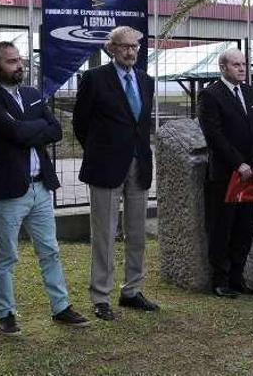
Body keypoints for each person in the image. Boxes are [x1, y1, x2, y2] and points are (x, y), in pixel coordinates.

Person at [0, 42, 89, 335]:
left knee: (50, 250)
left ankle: (61, 307)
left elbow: (57, 131)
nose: (19, 65)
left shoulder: (32, 94)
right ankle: (5, 312)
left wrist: (26, 129)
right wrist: (32, 128)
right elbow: (13, 132)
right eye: (11, 62)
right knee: (6, 255)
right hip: (9, 189)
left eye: (19, 60)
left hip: (41, 188)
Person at [72, 26, 159, 321]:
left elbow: (141, 125)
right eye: (124, 46)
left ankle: (131, 290)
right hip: (106, 166)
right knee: (105, 234)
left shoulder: (147, 81)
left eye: (135, 46)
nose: (131, 51)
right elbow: (80, 123)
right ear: (111, 49)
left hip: (139, 164)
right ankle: (100, 296)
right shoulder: (94, 79)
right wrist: (101, 150)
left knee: (137, 232)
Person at [197, 49, 253, 298]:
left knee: (245, 226)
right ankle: (220, 279)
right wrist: (239, 163)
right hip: (226, 173)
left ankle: (238, 276)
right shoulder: (210, 95)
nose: (242, 68)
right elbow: (214, 135)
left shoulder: (252, 92)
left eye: (244, 64)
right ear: (223, 67)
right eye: (236, 65)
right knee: (222, 226)